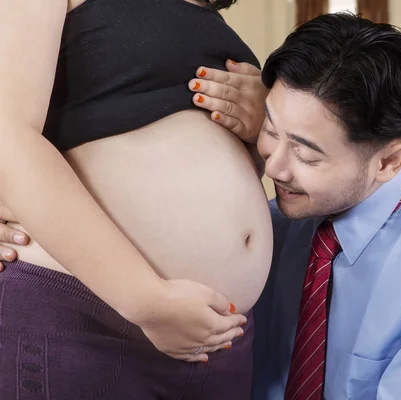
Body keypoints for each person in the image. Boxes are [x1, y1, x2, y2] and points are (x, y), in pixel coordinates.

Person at [1, 11, 401, 400]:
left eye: (308, 152)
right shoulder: (289, 230)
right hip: (91, 324)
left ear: (389, 162)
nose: (271, 169)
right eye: (268, 133)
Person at [0, 0, 273, 398]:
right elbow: (9, 136)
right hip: (85, 318)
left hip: (222, 337)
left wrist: (262, 128)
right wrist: (147, 301)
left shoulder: (213, 25)